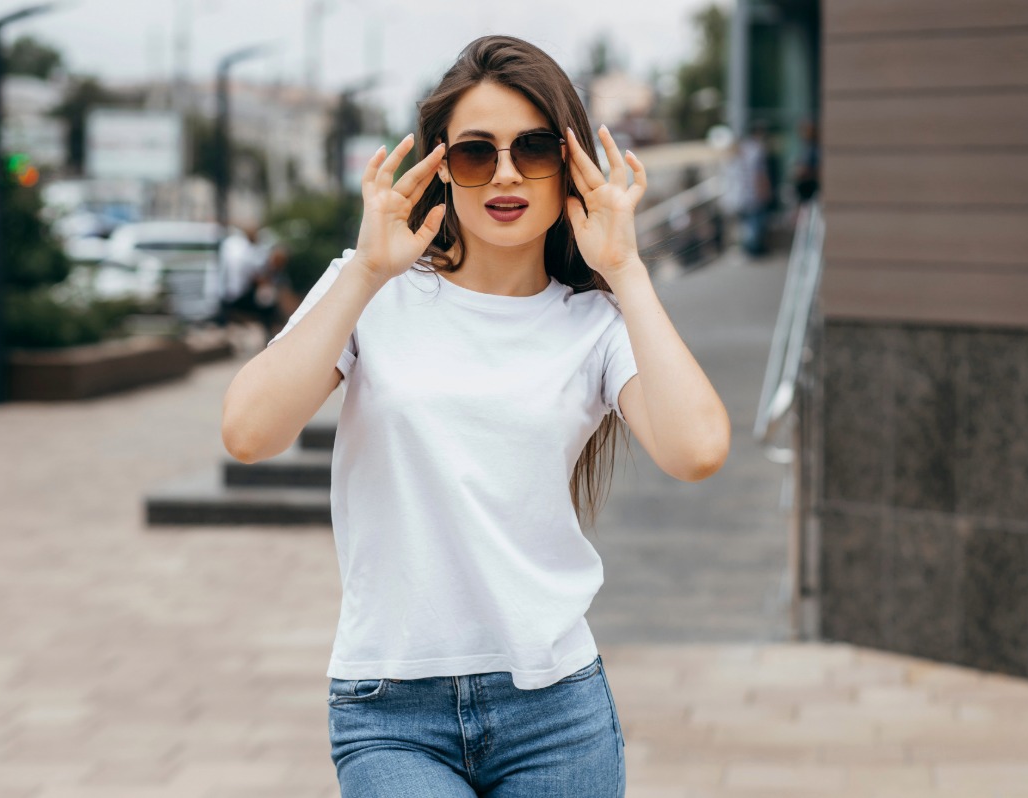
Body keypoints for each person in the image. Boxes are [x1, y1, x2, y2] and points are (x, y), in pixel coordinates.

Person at [221, 35, 730, 797]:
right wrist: (363, 272)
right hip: (391, 709)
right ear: (439, 168)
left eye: (533, 148)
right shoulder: (370, 291)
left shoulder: (595, 323)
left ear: (571, 165)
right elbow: (248, 433)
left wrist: (626, 271)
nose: (504, 174)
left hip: (556, 709)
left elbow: (697, 449)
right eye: (473, 153)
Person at [738, 121, 773, 257]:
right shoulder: (757, 149)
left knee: (749, 223)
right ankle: (754, 249)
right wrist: (764, 189)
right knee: (756, 222)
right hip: (754, 191)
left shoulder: (744, 148)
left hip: (745, 192)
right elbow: (759, 173)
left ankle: (750, 248)